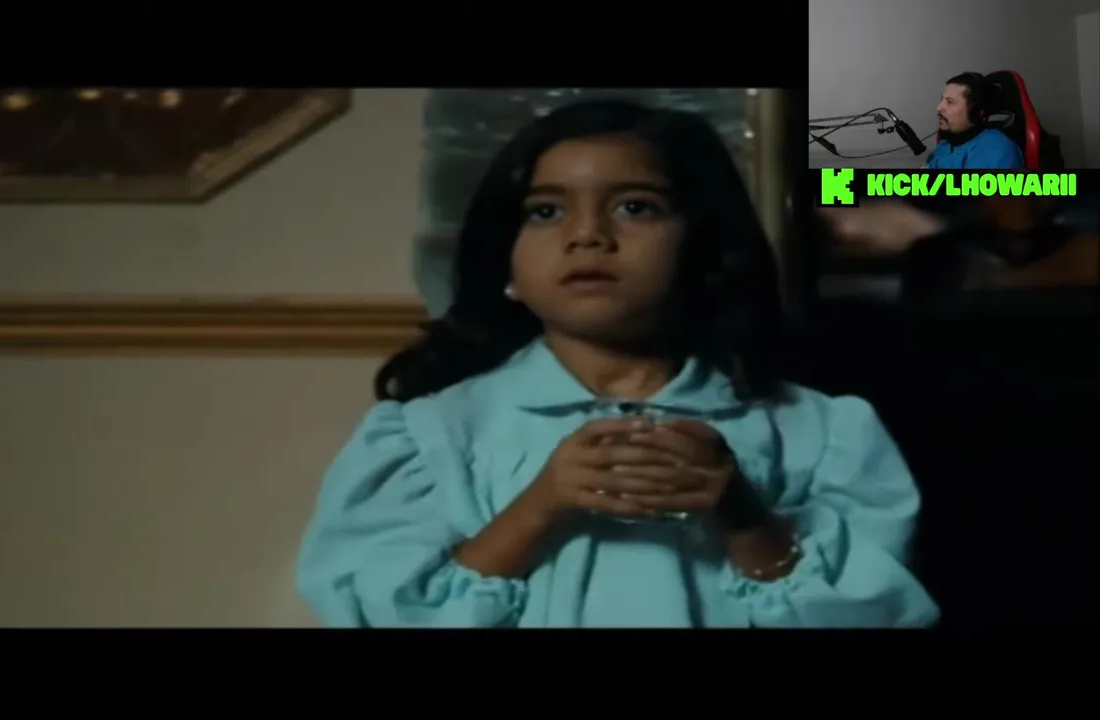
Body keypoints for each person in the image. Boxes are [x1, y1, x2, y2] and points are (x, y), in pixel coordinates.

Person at [295, 100, 940, 628]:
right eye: (545, 211)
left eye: (636, 207)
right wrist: (539, 506)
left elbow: (872, 615)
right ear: (506, 262)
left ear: (705, 247)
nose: (588, 235)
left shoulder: (817, 433)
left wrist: (744, 516)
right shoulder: (434, 437)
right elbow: (384, 613)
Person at [926, 72, 1024, 169]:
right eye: (942, 99)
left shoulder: (999, 152)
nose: (939, 107)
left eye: (950, 102)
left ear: (975, 112)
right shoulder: (945, 144)